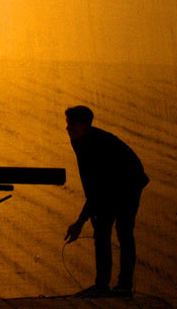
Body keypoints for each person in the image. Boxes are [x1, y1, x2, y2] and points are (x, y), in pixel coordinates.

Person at [63, 106, 149, 297]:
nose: (68, 128)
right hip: (108, 183)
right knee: (101, 231)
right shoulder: (77, 139)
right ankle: (101, 284)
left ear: (85, 125)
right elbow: (89, 178)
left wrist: (80, 221)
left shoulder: (97, 144)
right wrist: (90, 213)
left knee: (124, 231)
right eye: (67, 123)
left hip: (129, 182)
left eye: (72, 124)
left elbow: (99, 186)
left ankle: (124, 285)